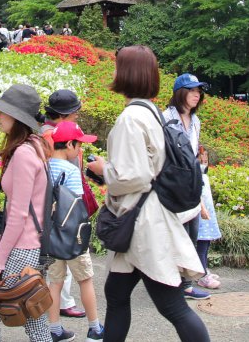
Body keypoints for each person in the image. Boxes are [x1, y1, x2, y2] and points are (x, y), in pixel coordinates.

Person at [87, 46, 210, 342]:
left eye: (118, 67)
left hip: (142, 223)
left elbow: (134, 175)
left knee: (173, 305)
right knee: (115, 294)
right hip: (143, 218)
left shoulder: (131, 118)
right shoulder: (150, 112)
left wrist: (103, 169)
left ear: (127, 73)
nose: (114, 72)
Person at [0, 84, 50, 342]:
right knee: (35, 321)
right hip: (34, 247)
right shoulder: (36, 147)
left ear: (16, 118)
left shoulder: (23, 155)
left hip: (21, 250)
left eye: (2, 112)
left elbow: (17, 216)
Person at [46, 121, 104, 341]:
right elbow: (77, 205)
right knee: (85, 280)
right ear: (69, 144)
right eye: (78, 145)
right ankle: (95, 328)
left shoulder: (45, 166)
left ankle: (55, 329)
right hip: (72, 236)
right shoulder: (70, 170)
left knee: (55, 281)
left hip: (52, 236)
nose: (80, 150)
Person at [162, 73, 215, 299]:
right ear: (180, 93)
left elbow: (192, 153)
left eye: (198, 91)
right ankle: (172, 283)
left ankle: (183, 284)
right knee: (175, 234)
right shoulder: (166, 118)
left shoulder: (195, 121)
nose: (197, 95)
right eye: (192, 90)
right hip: (171, 183)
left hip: (191, 182)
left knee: (191, 232)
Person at [42, 90, 87, 320]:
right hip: (63, 207)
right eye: (75, 112)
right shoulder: (52, 136)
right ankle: (63, 304)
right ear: (64, 114)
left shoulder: (46, 132)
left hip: (54, 207)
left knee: (56, 263)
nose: (77, 115)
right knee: (64, 256)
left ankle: (58, 305)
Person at [195, 146, 222, 289]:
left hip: (207, 215)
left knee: (205, 244)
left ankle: (204, 269)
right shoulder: (195, 174)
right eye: (201, 155)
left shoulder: (204, 174)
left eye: (206, 155)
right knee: (202, 243)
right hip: (200, 215)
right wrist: (203, 209)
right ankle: (202, 274)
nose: (204, 158)